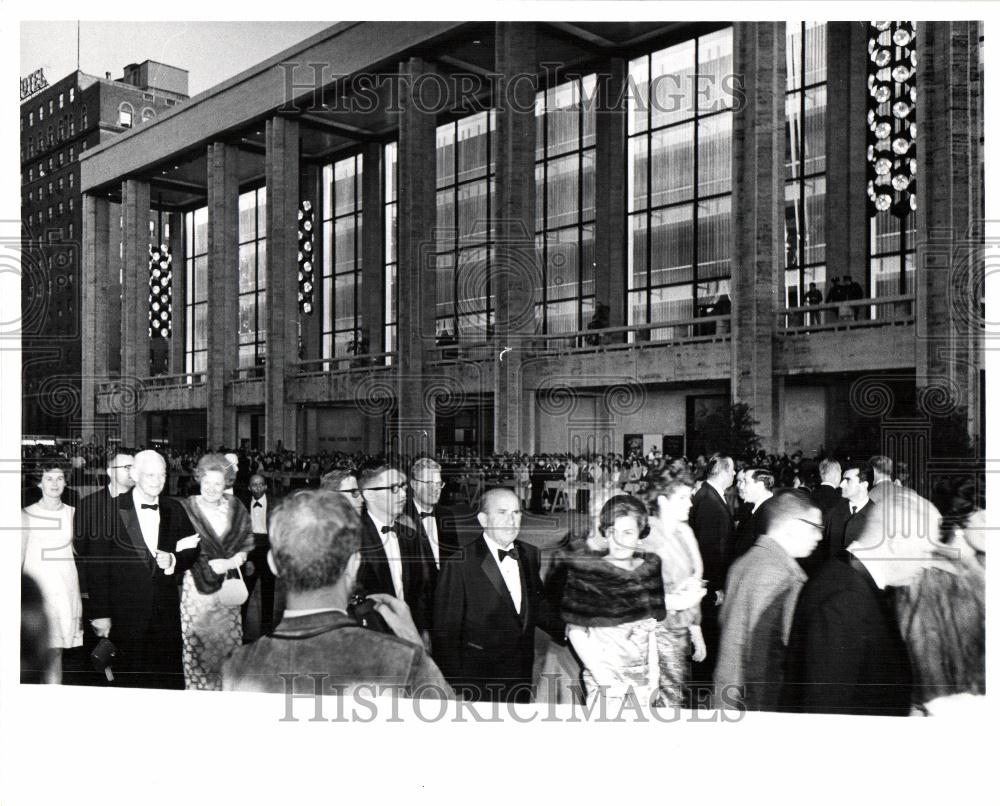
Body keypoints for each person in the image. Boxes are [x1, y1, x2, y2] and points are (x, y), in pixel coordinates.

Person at [223, 490, 452, 698]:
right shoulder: (403, 661)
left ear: (273, 565)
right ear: (354, 564)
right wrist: (418, 651)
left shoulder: (238, 667)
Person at [781, 486, 940, 716]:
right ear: (896, 541)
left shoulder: (848, 578)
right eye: (924, 551)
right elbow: (825, 711)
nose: (927, 564)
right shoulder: (845, 600)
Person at [433, 487, 561, 703]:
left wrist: (568, 630)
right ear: (483, 519)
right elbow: (445, 634)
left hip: (521, 674)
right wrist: (456, 687)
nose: (512, 521)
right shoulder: (460, 563)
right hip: (478, 681)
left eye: (516, 513)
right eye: (502, 513)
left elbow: (536, 605)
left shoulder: (529, 554)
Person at [86, 450, 201, 689]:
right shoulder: (109, 510)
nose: (158, 481)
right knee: (128, 679)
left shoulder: (174, 508)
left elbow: (192, 548)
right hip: (123, 614)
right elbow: (97, 567)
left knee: (165, 678)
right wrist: (100, 613)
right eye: (151, 475)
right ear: (135, 474)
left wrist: (174, 560)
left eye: (162, 475)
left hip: (165, 614)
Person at [714, 491, 823, 711]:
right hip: (756, 702)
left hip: (726, 692)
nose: (819, 536)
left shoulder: (744, 562)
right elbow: (762, 657)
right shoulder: (782, 576)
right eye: (815, 528)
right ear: (793, 526)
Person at [560, 495, 665, 707]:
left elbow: (651, 630)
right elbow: (575, 631)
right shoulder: (588, 572)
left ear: (640, 535)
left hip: (641, 680)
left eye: (627, 533)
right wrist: (605, 681)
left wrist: (654, 676)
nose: (618, 541)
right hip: (604, 682)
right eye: (612, 532)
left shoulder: (649, 571)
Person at [178, 454, 255, 690]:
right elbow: (171, 545)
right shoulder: (185, 508)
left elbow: (246, 544)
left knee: (226, 646)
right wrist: (180, 547)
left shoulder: (236, 507)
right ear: (199, 479)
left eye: (218, 483)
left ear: (227, 483)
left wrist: (231, 562)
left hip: (227, 588)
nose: (212, 488)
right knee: (197, 644)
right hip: (196, 590)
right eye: (207, 482)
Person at [643, 468, 707, 707]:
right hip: (655, 632)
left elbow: (696, 580)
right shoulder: (646, 537)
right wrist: (678, 601)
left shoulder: (685, 532)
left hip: (681, 630)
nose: (690, 503)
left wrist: (696, 630)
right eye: (682, 497)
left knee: (677, 694)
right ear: (662, 501)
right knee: (665, 699)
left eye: (690, 496)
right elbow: (639, 593)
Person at [21, 460, 82, 683]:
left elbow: (80, 551)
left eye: (59, 478)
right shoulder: (26, 515)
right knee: (35, 650)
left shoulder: (74, 514)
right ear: (40, 483)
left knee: (57, 651)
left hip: (65, 589)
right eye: (48, 478)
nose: (54, 483)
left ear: (66, 482)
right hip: (38, 592)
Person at [357, 460, 432, 632]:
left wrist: (422, 630)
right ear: (369, 494)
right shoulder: (352, 537)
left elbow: (421, 590)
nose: (403, 495)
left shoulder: (410, 535)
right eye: (393, 489)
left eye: (403, 487)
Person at [688, 454, 734, 683]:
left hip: (710, 585)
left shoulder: (711, 496)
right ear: (723, 472)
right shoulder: (709, 502)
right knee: (706, 636)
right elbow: (709, 550)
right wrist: (716, 588)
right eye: (732, 470)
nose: (735, 474)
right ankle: (702, 686)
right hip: (710, 588)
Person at [405, 457, 459, 592]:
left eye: (438, 484)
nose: (435, 489)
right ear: (414, 484)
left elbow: (454, 557)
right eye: (429, 483)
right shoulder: (401, 517)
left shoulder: (447, 515)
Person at [242, 473, 278, 639]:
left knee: (268, 591)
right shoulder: (242, 505)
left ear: (265, 486)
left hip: (268, 549)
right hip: (250, 550)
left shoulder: (275, 504)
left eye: (260, 484)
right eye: (254, 485)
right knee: (245, 590)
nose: (257, 487)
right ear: (249, 488)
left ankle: (267, 631)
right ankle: (240, 630)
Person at [824, 462, 876, 557]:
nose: (841, 484)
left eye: (848, 480)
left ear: (864, 484)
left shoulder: (877, 516)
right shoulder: (833, 512)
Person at [732, 468, 776, 561]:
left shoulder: (769, 513)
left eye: (746, 483)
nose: (742, 487)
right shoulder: (757, 508)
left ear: (760, 485)